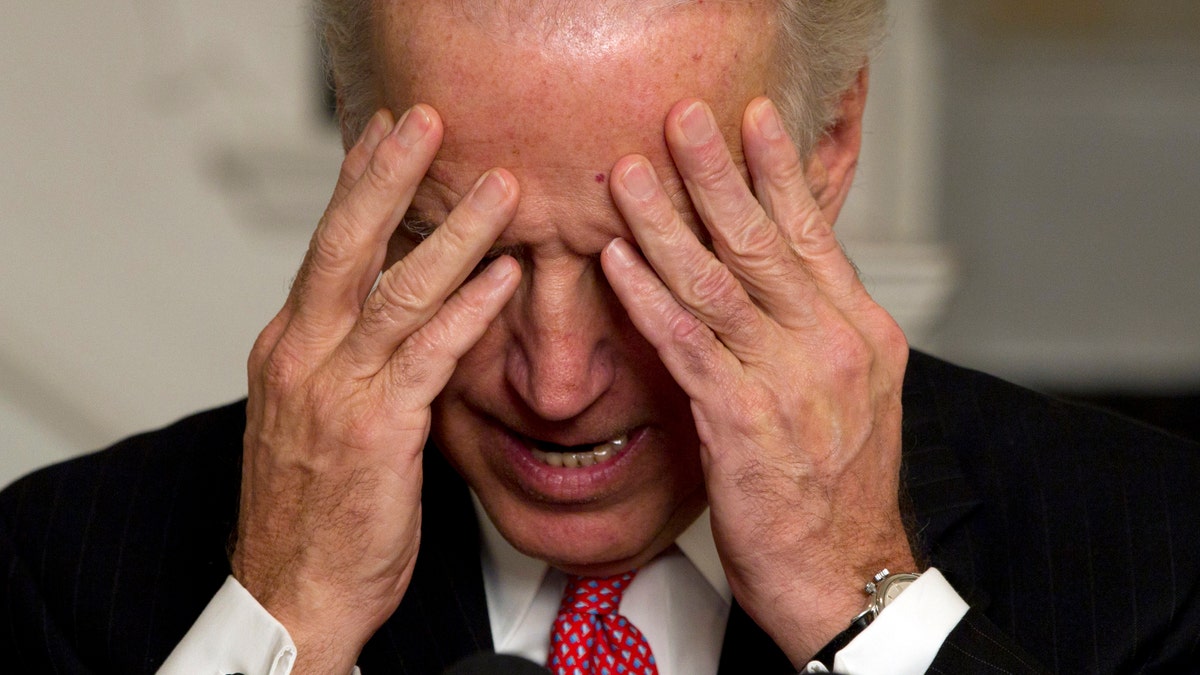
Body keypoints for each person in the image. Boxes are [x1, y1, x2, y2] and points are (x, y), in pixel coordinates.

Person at [3, 1, 1199, 673]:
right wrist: (284, 625)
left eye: (654, 253)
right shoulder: (59, 564)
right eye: (468, 244)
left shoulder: (1161, 552)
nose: (557, 383)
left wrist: (864, 602)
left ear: (829, 145)